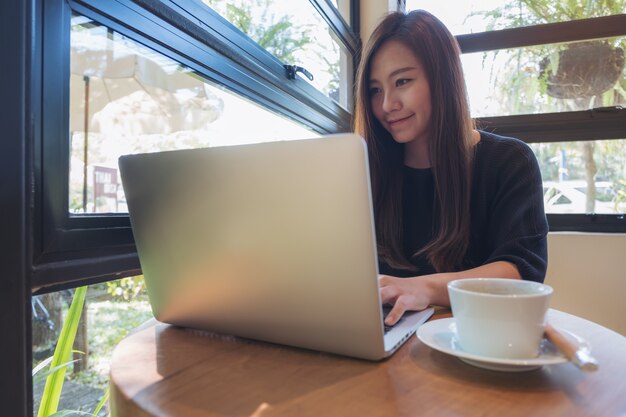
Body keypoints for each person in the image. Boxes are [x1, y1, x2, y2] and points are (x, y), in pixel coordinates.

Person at [353, 10, 549, 326]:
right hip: (382, 338)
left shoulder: (509, 161)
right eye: (375, 90)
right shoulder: (365, 172)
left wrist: (424, 288)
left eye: (402, 81)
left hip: (476, 337)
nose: (387, 104)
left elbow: (521, 271)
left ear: (443, 79)